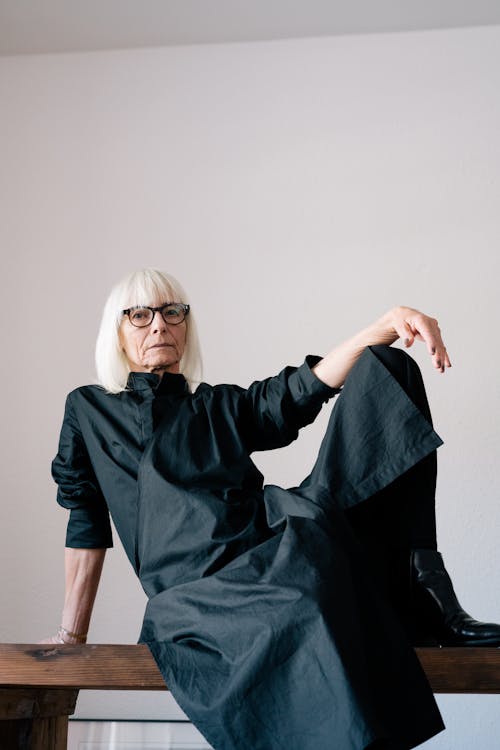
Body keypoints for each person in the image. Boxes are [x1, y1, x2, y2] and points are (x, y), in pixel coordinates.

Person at [44, 268, 500, 750]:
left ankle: (427, 593)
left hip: (273, 542)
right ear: (117, 332)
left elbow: (301, 389)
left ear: (185, 324)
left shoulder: (217, 406)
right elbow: (86, 520)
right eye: (139, 315)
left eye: (171, 312)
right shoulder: (88, 411)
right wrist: (71, 635)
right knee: (304, 598)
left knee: (389, 365)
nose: (159, 325)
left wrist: (386, 324)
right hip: (197, 594)